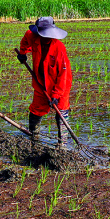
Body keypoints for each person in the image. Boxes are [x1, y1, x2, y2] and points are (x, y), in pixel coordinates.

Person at [17, 16, 73, 146]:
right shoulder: (32, 36)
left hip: (60, 85)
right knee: (36, 109)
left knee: (61, 111)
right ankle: (33, 138)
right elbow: (25, 40)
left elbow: (63, 74)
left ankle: (62, 143)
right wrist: (23, 53)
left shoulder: (59, 48)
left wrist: (55, 95)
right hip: (40, 81)